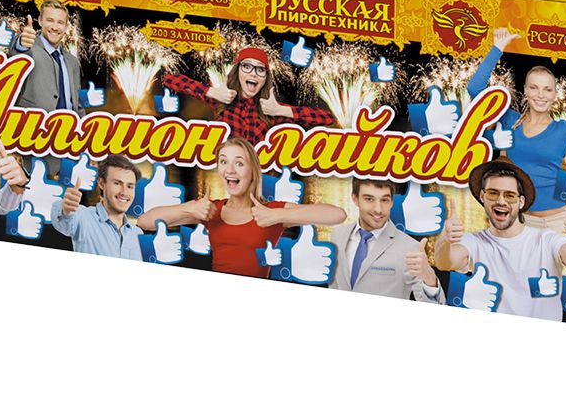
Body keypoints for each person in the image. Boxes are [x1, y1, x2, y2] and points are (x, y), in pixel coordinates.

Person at [467, 27, 566, 233]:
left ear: (554, 94)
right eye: (534, 88)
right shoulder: (510, 120)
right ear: (525, 91)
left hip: (560, 221)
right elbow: (475, 90)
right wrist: (497, 48)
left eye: (547, 89)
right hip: (520, 222)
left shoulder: (565, 129)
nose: (540, 95)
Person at [138, 137, 346, 278]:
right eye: (223, 162)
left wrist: (277, 215)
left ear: (252, 170)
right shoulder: (210, 209)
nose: (230, 170)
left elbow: (337, 215)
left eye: (239, 163)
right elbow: (144, 221)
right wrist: (187, 209)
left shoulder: (271, 210)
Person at [434, 157, 566, 321]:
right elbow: (445, 262)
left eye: (510, 195)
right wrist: (444, 240)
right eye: (493, 193)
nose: (501, 201)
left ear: (521, 202)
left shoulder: (547, 241)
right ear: (482, 196)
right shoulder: (474, 242)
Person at [161, 46, 336, 143]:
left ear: (265, 78)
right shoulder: (222, 99)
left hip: (254, 179)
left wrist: (282, 111)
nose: (253, 73)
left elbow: (327, 118)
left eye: (260, 70)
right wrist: (211, 92)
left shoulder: (269, 109)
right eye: (247, 67)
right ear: (237, 72)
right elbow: (170, 80)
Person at [329, 177, 444, 302]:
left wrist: (430, 280)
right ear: (355, 199)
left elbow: (433, 306)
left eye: (384, 200)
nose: (378, 209)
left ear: (392, 202)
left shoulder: (410, 248)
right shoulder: (338, 235)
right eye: (369, 199)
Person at [8, 0, 85, 179]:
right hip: (35, 142)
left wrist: (84, 138)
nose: (55, 27)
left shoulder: (73, 62)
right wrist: (21, 43)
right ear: (40, 21)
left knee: (66, 194)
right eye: (50, 20)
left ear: (66, 26)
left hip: (68, 145)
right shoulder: (29, 49)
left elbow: (76, 103)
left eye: (60, 22)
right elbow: (15, 53)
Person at [49, 155, 145, 258]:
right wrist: (65, 209)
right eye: (117, 183)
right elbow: (63, 220)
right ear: (101, 183)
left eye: (130, 186)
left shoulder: (138, 233)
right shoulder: (84, 218)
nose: (124, 192)